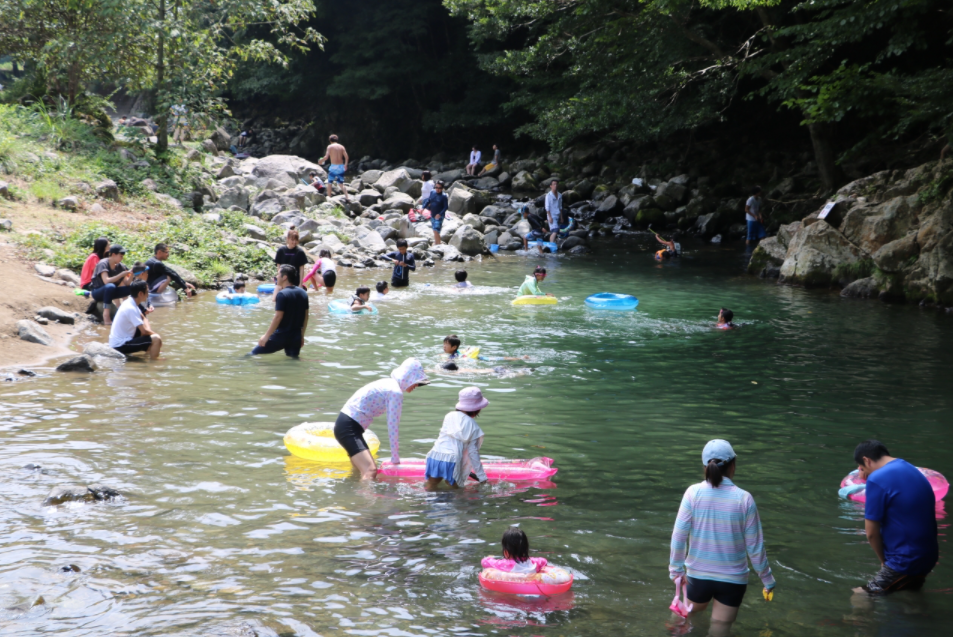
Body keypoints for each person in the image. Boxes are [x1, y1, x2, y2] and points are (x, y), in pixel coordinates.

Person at [669, 440, 775, 636]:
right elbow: (755, 547)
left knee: (684, 623)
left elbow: (679, 536)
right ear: (733, 465)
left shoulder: (693, 493)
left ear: (705, 467)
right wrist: (767, 579)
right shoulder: (744, 499)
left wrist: (676, 571)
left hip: (697, 578)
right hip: (732, 581)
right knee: (720, 630)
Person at [852, 440, 938, 595]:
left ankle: (855, 620)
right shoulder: (909, 468)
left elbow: (871, 533)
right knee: (909, 595)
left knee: (861, 594)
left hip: (905, 559)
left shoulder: (877, 478)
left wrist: (884, 563)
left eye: (862, 468)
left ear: (866, 460)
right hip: (928, 555)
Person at [335, 357, 430, 480]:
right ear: (408, 377)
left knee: (358, 472)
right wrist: (395, 459)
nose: (417, 385)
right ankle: (365, 499)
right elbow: (393, 427)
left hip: (346, 425)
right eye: (417, 380)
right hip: (349, 428)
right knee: (370, 470)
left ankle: (353, 495)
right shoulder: (395, 392)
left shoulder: (389, 383)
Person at [424, 387, 489, 489]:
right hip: (451, 461)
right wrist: (482, 477)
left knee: (431, 486)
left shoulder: (449, 415)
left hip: (434, 456)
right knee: (456, 491)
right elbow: (473, 453)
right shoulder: (474, 427)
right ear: (478, 408)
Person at [250, 265, 309, 358]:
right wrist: (301, 336)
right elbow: (306, 316)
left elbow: (278, 317)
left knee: (253, 353)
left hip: (281, 336)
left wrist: (266, 336)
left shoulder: (282, 294)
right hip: (296, 336)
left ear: (284, 277)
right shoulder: (303, 293)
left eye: (278, 274)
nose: (276, 277)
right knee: (293, 361)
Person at [108, 281, 163, 358]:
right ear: (140, 294)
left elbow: (143, 317)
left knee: (150, 335)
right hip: (120, 346)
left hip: (121, 341)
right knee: (156, 338)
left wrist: (150, 333)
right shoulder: (131, 308)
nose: (148, 294)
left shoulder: (130, 302)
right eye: (147, 292)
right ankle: (154, 363)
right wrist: (157, 337)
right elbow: (144, 332)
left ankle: (148, 353)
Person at [90, 245, 135, 325]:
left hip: (111, 291)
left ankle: (130, 313)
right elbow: (106, 281)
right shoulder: (103, 263)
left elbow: (127, 283)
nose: (122, 258)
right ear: (113, 254)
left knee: (132, 288)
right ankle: (106, 316)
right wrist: (121, 274)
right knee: (110, 286)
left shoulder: (120, 266)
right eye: (120, 256)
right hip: (98, 292)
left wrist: (131, 275)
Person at [481, 528, 547, 575]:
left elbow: (484, 562)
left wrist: (489, 557)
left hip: (512, 590)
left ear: (506, 552)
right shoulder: (533, 562)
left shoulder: (505, 564)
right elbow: (544, 561)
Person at [319, 134, 350, 202]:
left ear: (330, 140)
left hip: (333, 167)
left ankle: (329, 198)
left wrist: (321, 161)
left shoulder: (330, 146)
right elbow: (346, 157)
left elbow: (326, 157)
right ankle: (347, 197)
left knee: (330, 182)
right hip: (341, 166)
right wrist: (345, 165)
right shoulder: (342, 147)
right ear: (337, 140)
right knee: (341, 183)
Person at [423, 180, 448, 245]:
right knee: (434, 230)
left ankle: (438, 244)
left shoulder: (444, 196)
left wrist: (440, 214)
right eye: (436, 187)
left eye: (439, 188)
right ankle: (436, 242)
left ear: (442, 188)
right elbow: (429, 200)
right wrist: (423, 207)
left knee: (436, 230)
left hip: (439, 215)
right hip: (432, 214)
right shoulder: (432, 192)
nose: (437, 189)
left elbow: (446, 207)